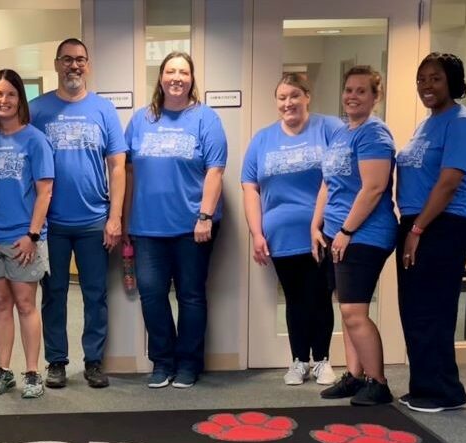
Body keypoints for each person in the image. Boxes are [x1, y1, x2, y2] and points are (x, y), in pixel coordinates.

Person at [124, 51, 227, 389]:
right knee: (152, 294)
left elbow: (215, 170)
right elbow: (125, 171)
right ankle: (162, 362)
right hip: (147, 228)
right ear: (161, 77)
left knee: (191, 296)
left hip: (193, 227)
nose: (177, 78)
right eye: (170, 71)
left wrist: (205, 215)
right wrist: (123, 221)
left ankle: (187, 364)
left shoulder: (205, 118)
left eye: (184, 72)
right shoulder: (141, 120)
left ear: (192, 79)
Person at [30, 38, 127, 390]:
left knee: (95, 294)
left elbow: (118, 166)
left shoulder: (103, 110)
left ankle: (93, 361)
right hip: (51, 224)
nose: (74, 65)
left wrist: (115, 217)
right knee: (53, 293)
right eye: (68, 59)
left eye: (81, 60)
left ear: (88, 65)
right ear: (57, 64)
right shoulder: (37, 110)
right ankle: (56, 361)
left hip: (93, 221)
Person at [396, 53, 466, 413]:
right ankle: (423, 385)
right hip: (417, 222)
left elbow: (448, 184)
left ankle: (443, 391)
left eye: (435, 79)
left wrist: (418, 228)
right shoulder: (427, 123)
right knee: (414, 309)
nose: (426, 86)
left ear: (453, 82)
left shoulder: (461, 123)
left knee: (434, 308)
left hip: (443, 224)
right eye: (421, 79)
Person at [242, 74, 340, 386]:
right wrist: (256, 233)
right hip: (280, 237)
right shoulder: (263, 139)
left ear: (307, 96)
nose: (288, 103)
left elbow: (342, 175)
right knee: (296, 299)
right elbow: (249, 187)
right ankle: (298, 360)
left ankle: (323, 360)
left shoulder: (328, 128)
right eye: (282, 97)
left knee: (321, 297)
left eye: (295, 95)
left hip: (320, 234)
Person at [312, 65, 397, 406]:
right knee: (346, 308)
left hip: (365, 234)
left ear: (376, 97)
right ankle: (355, 376)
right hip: (337, 233)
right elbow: (328, 182)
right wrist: (316, 225)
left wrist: (346, 230)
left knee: (353, 311)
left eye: (362, 91)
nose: (352, 96)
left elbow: (374, 187)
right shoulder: (342, 132)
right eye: (349, 89)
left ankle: (378, 382)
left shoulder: (374, 134)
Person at [0, 69, 54, 399]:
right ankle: (3, 370)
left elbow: (45, 191)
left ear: (20, 99)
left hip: (24, 240)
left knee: (25, 305)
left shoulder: (35, 139)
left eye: (10, 94)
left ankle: (33, 372)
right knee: (1, 304)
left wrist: (32, 235)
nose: (3, 100)